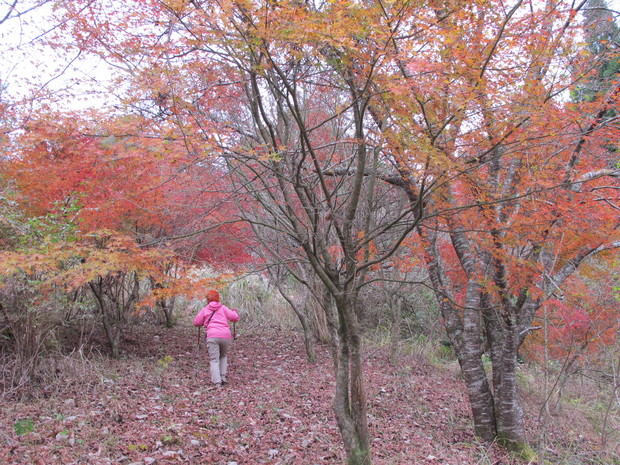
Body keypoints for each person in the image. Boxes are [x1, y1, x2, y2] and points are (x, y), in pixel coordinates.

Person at [193, 290, 240, 388]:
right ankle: (222, 377)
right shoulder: (223, 308)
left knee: (214, 359)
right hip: (225, 336)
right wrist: (234, 311)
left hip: (212, 336)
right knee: (223, 356)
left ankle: (217, 381)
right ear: (218, 298)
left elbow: (196, 322)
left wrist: (204, 322)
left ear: (208, 299)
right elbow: (235, 318)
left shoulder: (205, 310)